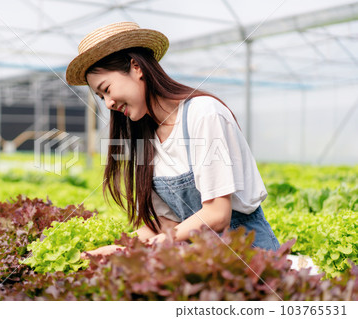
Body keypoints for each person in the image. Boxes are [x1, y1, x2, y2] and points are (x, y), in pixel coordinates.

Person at [66, 22, 280, 256]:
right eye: (101, 97)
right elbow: (167, 222)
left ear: (136, 67)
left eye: (107, 89)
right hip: (203, 258)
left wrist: (155, 244)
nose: (108, 103)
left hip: (249, 254)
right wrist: (120, 248)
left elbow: (218, 214)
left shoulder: (203, 113)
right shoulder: (148, 136)